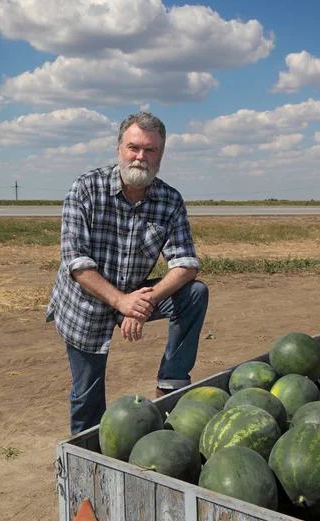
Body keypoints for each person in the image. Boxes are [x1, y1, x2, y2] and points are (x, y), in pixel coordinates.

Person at [46, 112, 209, 434]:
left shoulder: (169, 200)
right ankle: (86, 453)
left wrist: (142, 303)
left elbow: (186, 263)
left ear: (161, 155)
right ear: (119, 148)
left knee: (195, 293)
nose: (141, 157)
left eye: (151, 150)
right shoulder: (85, 188)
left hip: (135, 294)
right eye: (134, 147)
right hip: (85, 303)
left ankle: (170, 384)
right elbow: (75, 261)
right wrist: (121, 301)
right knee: (87, 394)